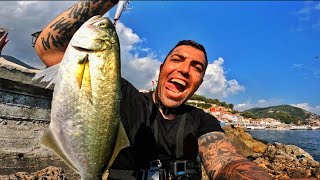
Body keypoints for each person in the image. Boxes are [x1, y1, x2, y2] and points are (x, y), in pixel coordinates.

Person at [34, 1, 272, 179]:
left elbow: (225, 160)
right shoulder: (123, 97)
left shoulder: (202, 121)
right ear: (161, 69)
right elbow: (49, 48)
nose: (185, 69)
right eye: (177, 59)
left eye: (196, 67)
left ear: (199, 82)